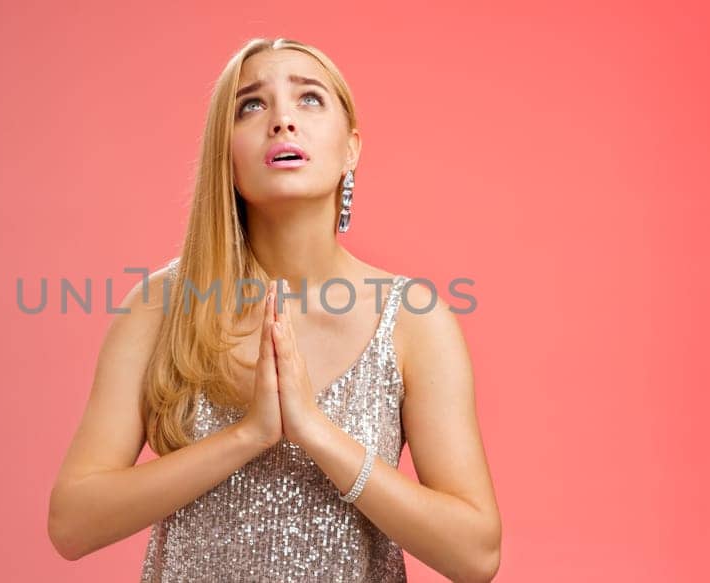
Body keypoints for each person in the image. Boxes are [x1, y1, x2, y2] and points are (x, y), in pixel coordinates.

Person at [48, 37, 501, 582]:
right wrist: (248, 436)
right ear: (226, 153)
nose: (283, 120)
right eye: (251, 105)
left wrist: (316, 433)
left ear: (351, 148)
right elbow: (72, 524)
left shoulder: (411, 319)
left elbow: (476, 557)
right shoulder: (160, 308)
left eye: (310, 99)